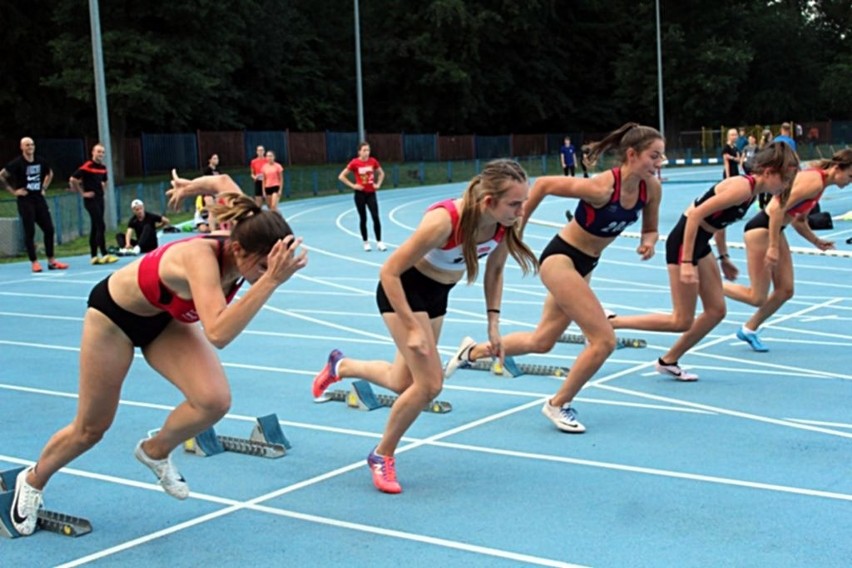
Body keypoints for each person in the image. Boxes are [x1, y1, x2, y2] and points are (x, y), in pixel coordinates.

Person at [9, 172, 307, 536]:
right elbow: (218, 333)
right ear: (238, 250)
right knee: (91, 429)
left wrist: (187, 188)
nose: (265, 275)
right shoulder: (202, 259)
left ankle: (154, 450)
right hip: (114, 319)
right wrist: (273, 282)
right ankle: (33, 480)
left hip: (163, 321)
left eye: (272, 268)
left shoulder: (251, 223)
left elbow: (223, 181)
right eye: (263, 267)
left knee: (213, 400)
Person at [312, 159, 538, 493]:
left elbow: (495, 271)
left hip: (437, 297)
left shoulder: (505, 224)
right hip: (404, 291)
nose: (522, 211)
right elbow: (388, 271)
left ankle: (340, 365)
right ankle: (381, 454)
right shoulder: (445, 221)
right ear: (489, 202)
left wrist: (493, 324)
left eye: (523, 202)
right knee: (431, 385)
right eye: (515, 204)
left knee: (402, 381)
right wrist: (412, 326)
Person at [445, 123, 664, 434]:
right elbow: (545, 184)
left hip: (586, 264)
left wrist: (650, 241)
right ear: (631, 154)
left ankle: (471, 352)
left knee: (542, 341)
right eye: (654, 156)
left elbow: (650, 228)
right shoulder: (601, 188)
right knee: (603, 341)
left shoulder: (651, 189)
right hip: (562, 259)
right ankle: (558, 403)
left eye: (661, 157)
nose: (659, 163)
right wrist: (515, 227)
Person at [608, 142, 800, 381]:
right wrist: (687, 261)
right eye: (785, 180)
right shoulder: (741, 188)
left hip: (702, 243)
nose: (786, 186)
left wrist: (724, 257)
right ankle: (612, 323)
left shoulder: (751, 193)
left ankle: (668, 361)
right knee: (681, 320)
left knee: (716, 311)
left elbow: (718, 223)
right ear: (769, 173)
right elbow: (696, 215)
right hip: (684, 242)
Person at [724, 149, 851, 351]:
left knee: (785, 290)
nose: (849, 182)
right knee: (756, 297)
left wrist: (816, 241)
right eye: (850, 176)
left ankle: (749, 329)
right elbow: (776, 209)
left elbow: (799, 220)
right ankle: (707, 283)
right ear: (837, 168)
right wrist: (773, 247)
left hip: (774, 229)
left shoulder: (820, 186)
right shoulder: (814, 181)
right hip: (761, 230)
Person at [0, 137, 69, 272]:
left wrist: (44, 187)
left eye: (31, 144)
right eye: (27, 145)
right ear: (22, 147)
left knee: (49, 229)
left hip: (39, 198)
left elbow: (49, 173)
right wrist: (13, 191)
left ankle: (51, 260)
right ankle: (34, 262)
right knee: (29, 231)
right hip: (26, 200)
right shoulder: (17, 163)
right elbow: (2, 175)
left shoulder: (40, 161)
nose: (30, 147)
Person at [70, 143, 118, 265]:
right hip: (90, 200)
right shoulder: (87, 166)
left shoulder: (103, 167)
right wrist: (82, 193)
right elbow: (73, 179)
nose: (100, 154)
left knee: (95, 226)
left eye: (102, 152)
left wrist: (103, 189)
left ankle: (93, 256)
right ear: (93, 152)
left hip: (99, 199)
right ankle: (104, 253)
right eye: (98, 152)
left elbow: (105, 180)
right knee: (101, 225)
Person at [338, 142, 387, 251]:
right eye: (364, 150)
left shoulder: (373, 161)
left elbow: (381, 173)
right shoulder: (355, 163)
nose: (366, 152)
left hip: (371, 193)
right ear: (359, 152)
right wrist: (353, 185)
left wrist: (378, 184)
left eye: (368, 150)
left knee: (375, 217)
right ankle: (366, 242)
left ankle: (379, 242)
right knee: (363, 218)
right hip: (360, 194)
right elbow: (341, 176)